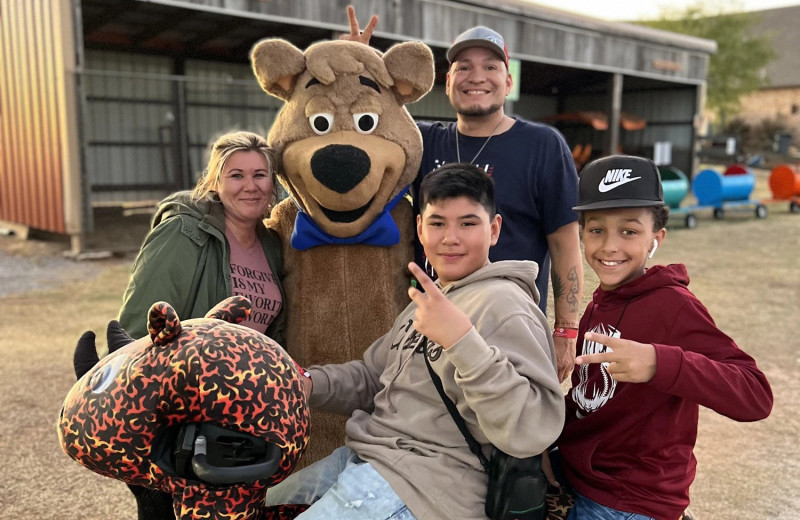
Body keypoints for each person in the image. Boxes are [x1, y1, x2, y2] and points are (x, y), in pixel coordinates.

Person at [263, 162, 564, 519]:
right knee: (259, 503)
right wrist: (307, 383)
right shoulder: (431, 300)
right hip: (367, 457)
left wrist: (462, 340)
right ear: (419, 228)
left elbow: (532, 427)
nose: (450, 238)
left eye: (468, 223)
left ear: (494, 229)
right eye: (437, 223)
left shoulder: (504, 304)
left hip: (428, 485)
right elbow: (374, 376)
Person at [343, 7, 583, 382]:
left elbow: (565, 242)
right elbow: (357, 133)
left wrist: (566, 331)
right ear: (449, 80)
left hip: (506, 325)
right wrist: (354, 68)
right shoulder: (421, 140)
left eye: (490, 67)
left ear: (508, 82)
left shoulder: (542, 146)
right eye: (464, 67)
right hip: (430, 322)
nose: (477, 77)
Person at [550, 155, 773, 520]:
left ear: (657, 238)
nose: (609, 246)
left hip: (630, 504)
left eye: (629, 231)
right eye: (596, 230)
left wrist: (659, 363)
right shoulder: (600, 303)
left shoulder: (674, 306)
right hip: (584, 480)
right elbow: (590, 402)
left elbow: (756, 395)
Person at [115, 130, 287, 520]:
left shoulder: (273, 243)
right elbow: (140, 319)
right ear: (215, 182)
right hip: (185, 403)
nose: (250, 186)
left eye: (260, 175)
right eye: (236, 175)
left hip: (244, 407)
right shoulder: (184, 232)